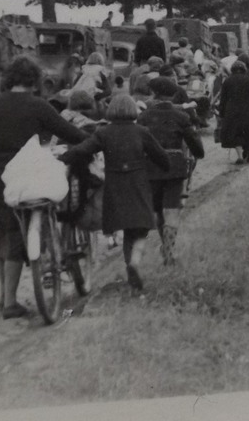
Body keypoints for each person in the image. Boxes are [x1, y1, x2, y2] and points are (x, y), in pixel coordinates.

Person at [0, 56, 89, 320]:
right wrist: (92, 139)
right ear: (34, 80)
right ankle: (10, 303)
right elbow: (69, 132)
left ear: (9, 78)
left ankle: (4, 295)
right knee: (16, 232)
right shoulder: (39, 106)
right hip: (23, 172)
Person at [63, 94, 171, 293]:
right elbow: (162, 158)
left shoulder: (104, 133)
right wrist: (163, 167)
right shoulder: (142, 132)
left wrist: (63, 158)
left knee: (126, 229)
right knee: (140, 229)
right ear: (133, 111)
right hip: (138, 184)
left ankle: (129, 264)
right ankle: (135, 263)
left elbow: (83, 150)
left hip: (114, 187)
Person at [139, 76, 206, 264]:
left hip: (151, 168)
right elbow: (196, 146)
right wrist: (197, 153)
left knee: (158, 211)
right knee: (172, 209)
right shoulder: (181, 117)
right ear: (172, 96)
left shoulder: (144, 117)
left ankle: (164, 245)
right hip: (175, 168)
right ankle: (168, 252)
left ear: (154, 94)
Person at [216, 54, 249, 163]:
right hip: (248, 111)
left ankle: (239, 156)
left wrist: (221, 113)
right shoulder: (248, 80)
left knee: (235, 133)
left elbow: (223, 99)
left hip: (231, 111)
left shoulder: (227, 81)